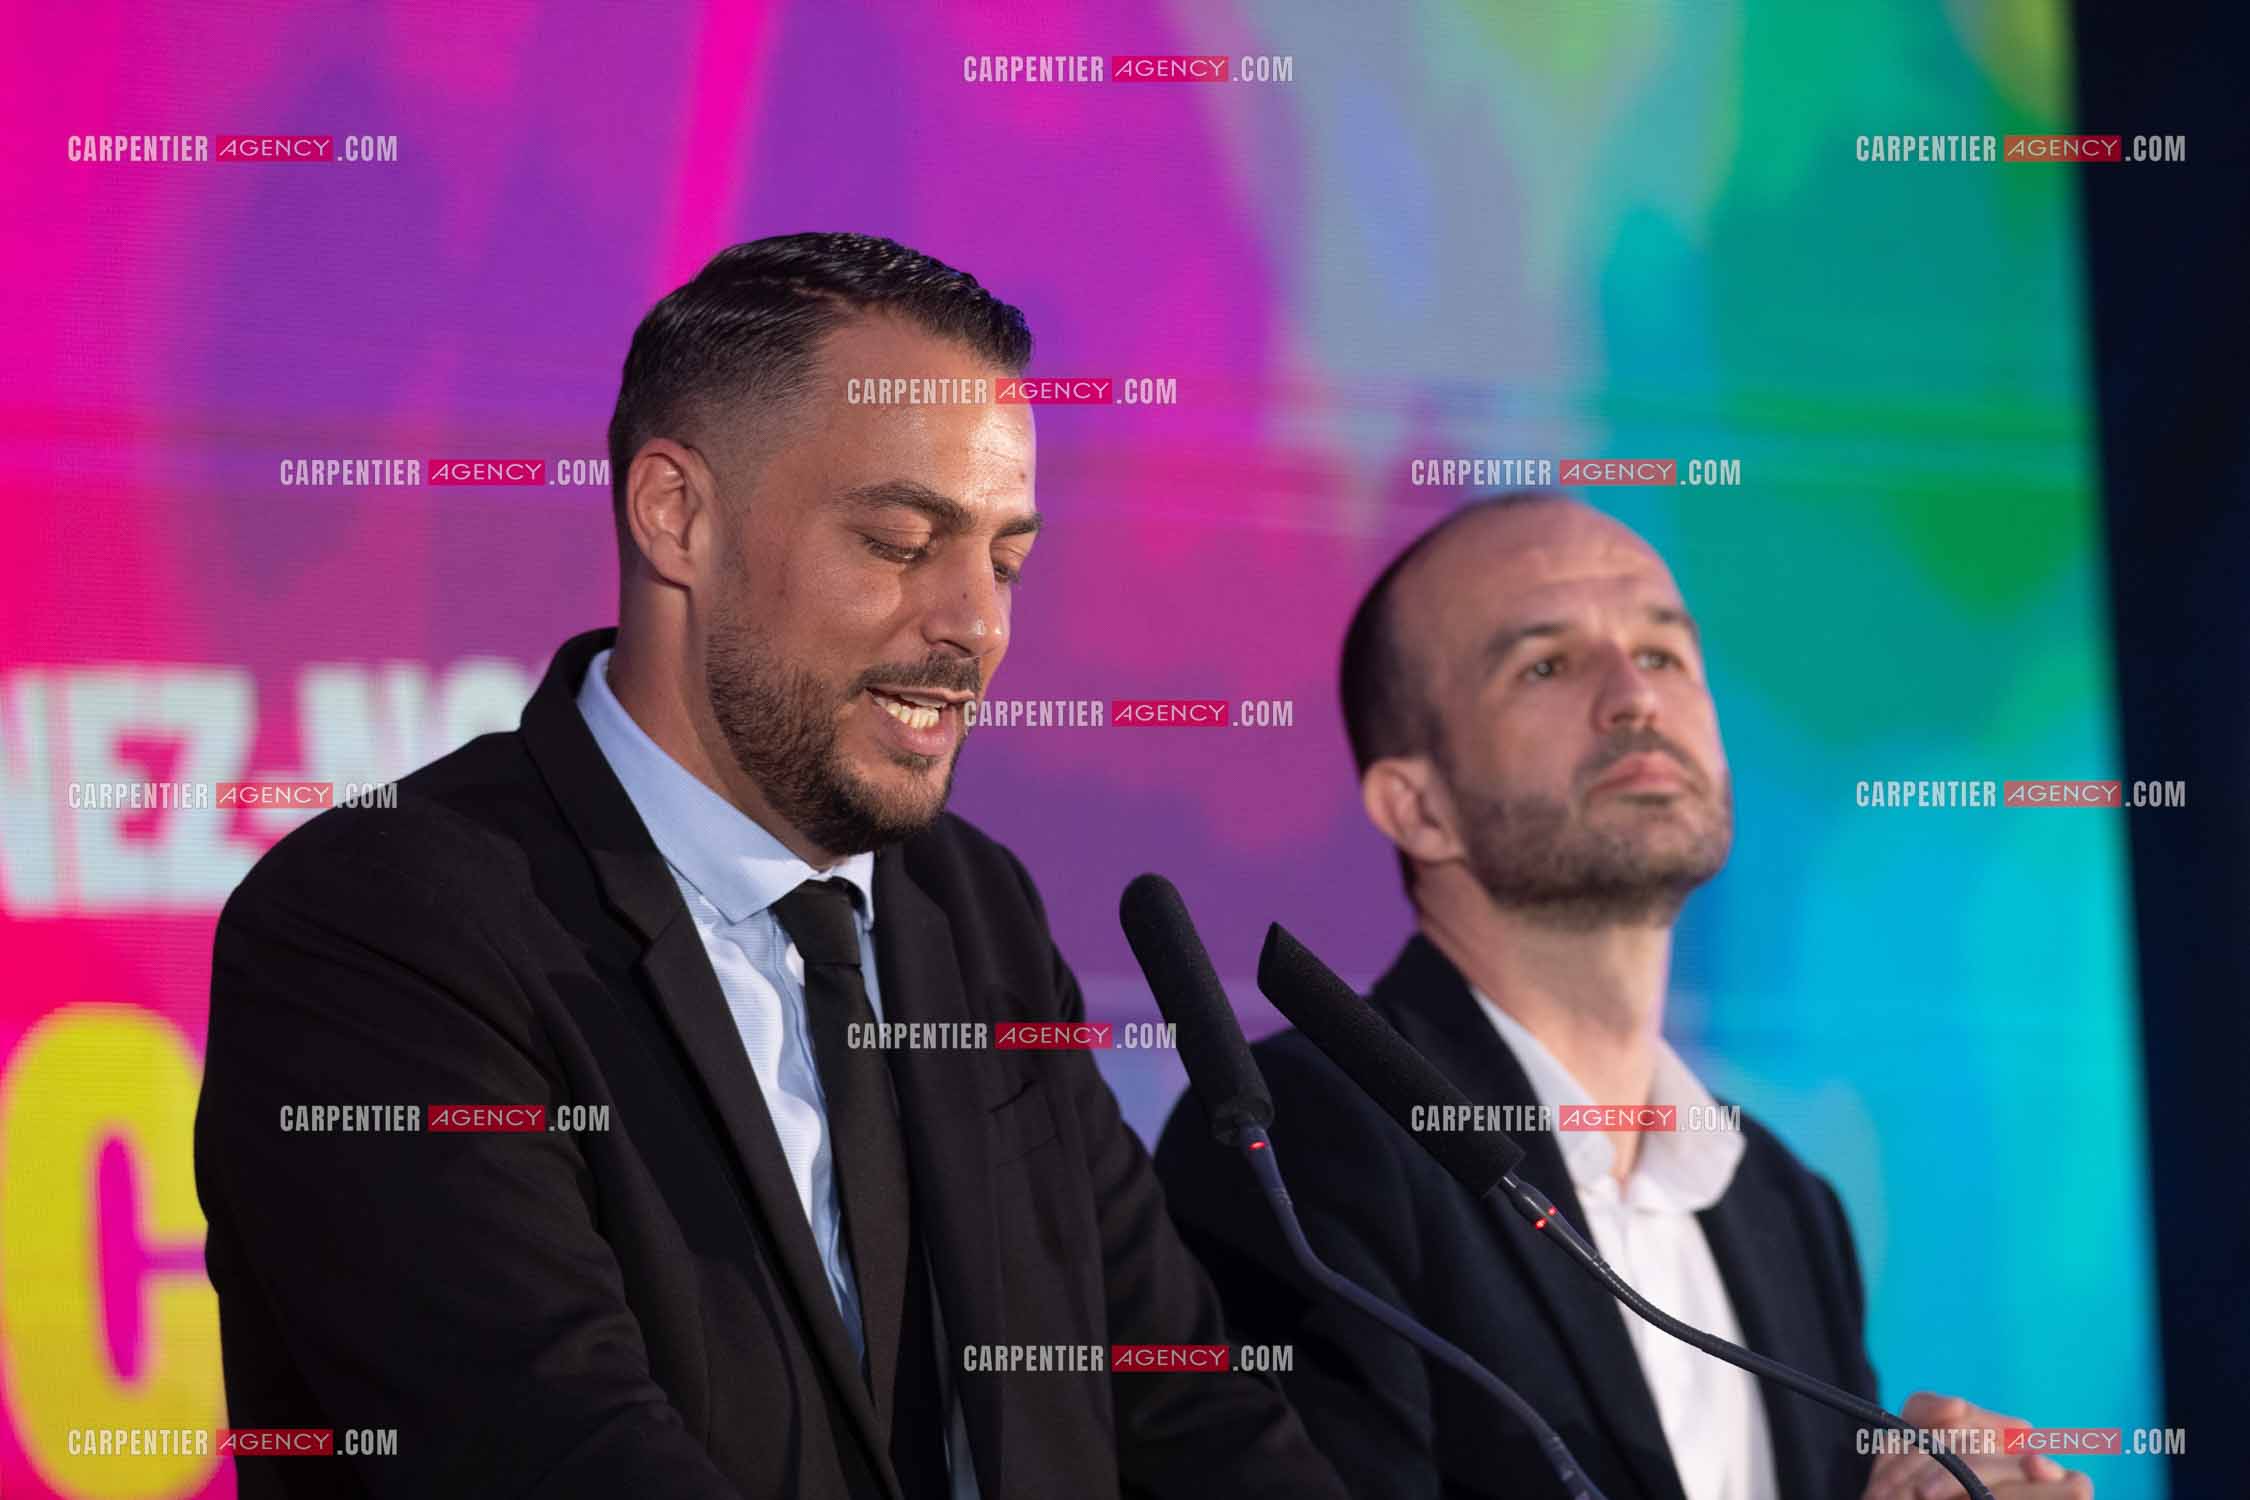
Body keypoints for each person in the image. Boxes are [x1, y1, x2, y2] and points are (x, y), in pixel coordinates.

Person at [195, 232, 1347, 1500]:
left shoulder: (972, 908)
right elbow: (559, 1454)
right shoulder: (386, 925)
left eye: (1006, 560)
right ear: (676, 515)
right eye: (904, 543)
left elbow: (1182, 1411)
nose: (976, 623)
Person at [1153, 492, 2091, 1500]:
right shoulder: (1299, 1141)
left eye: (1662, 654)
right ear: (1418, 806)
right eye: (1546, 666)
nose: (1633, 699)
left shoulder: (1785, 1204)